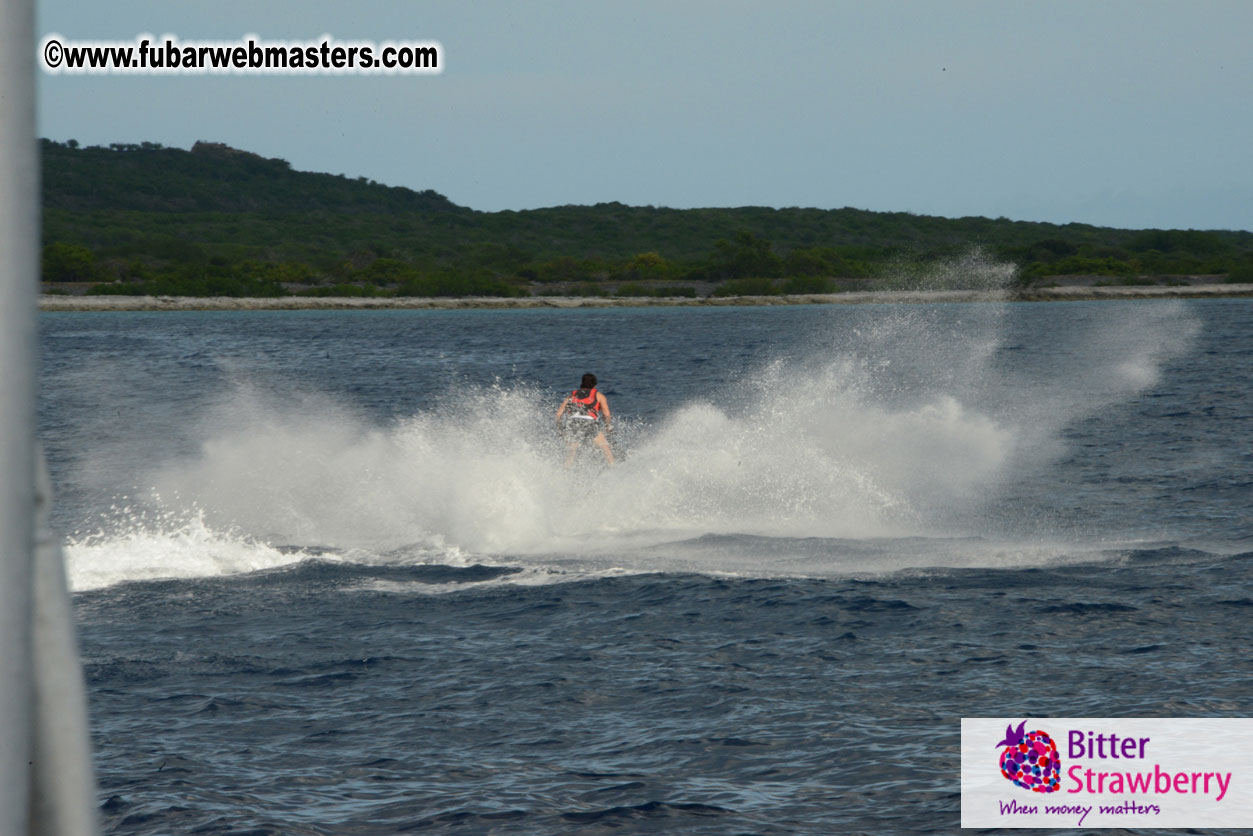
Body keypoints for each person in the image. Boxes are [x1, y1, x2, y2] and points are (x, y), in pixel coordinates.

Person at [555, 372, 615, 467]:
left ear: (582, 383)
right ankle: (613, 468)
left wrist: (560, 429)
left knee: (571, 452)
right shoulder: (599, 396)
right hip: (589, 422)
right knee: (604, 447)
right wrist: (608, 426)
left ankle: (565, 471)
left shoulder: (572, 395)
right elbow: (606, 414)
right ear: (595, 385)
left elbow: (558, 414)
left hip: (573, 423)